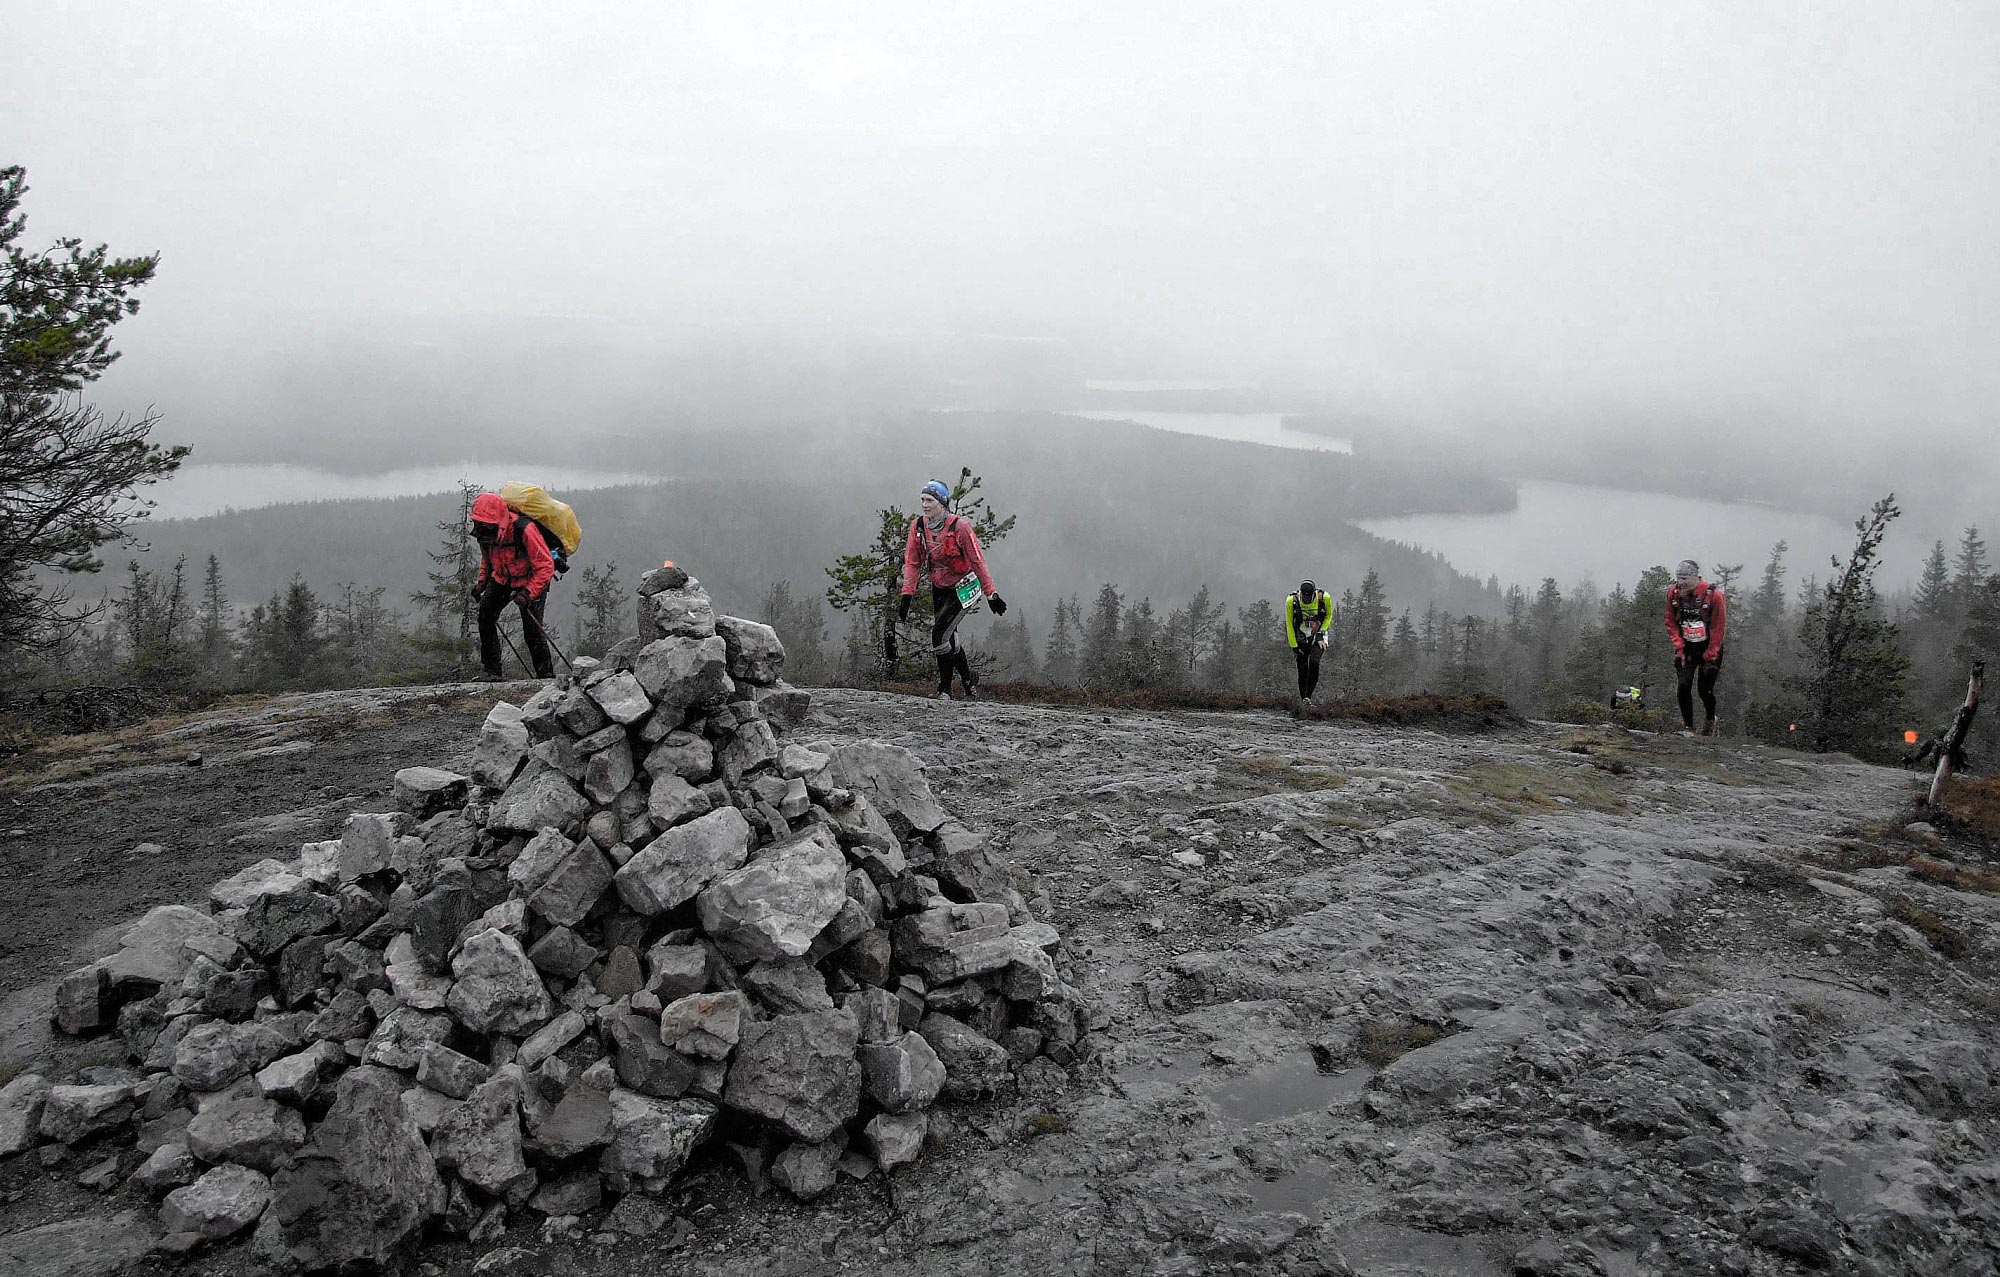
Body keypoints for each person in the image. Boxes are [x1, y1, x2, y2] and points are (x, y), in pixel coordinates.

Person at [899, 479, 1007, 700]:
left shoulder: (961, 528)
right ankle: (968, 682)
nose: (925, 505)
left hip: (964, 587)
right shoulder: (918, 527)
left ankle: (945, 689)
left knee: (939, 635)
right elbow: (912, 562)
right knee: (950, 638)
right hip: (939, 587)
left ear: (942, 502)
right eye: (922, 500)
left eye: (930, 500)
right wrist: (907, 595)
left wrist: (991, 594)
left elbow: (977, 561)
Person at [470, 491, 556, 680]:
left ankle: (546, 677)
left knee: (532, 630)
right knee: (486, 615)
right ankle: (492, 671)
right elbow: (487, 559)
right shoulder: (486, 531)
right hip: (502, 579)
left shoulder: (524, 529)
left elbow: (546, 566)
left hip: (531, 580)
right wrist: (481, 584)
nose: (482, 529)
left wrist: (528, 593)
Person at [1665, 559, 1727, 735]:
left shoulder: (1714, 596)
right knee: (1683, 686)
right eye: (1678, 578)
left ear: (1695, 577)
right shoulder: (1674, 593)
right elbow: (1670, 621)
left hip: (1709, 648)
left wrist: (1711, 653)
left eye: (1684, 578)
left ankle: (1710, 719)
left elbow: (1718, 627)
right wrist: (1678, 644)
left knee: (1704, 690)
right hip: (1686, 647)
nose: (1681, 582)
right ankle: (1688, 727)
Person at [1285, 580, 1333, 705]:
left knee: (1314, 662)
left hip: (1319, 635)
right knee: (1302, 669)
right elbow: (1289, 624)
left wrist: (1320, 633)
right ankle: (1304, 701)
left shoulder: (1324, 598)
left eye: (1308, 598)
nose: (1306, 600)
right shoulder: (1292, 601)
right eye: (1304, 598)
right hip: (1300, 635)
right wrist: (1294, 646)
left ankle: (1308, 696)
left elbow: (1328, 616)